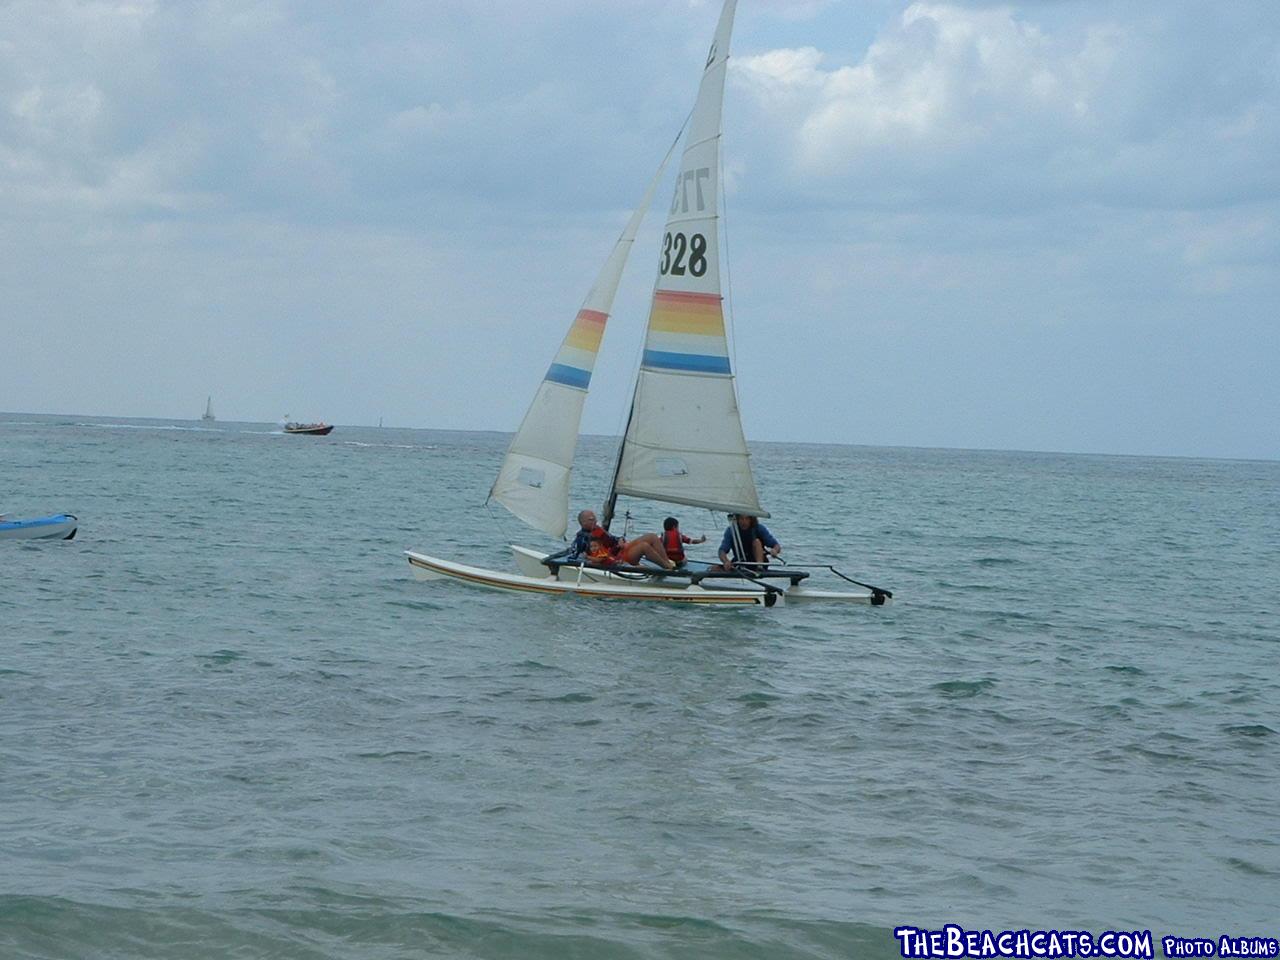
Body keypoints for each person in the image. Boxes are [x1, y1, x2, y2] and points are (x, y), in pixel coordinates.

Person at [549, 509, 676, 569]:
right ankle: (668, 568)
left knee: (651, 537)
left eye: (594, 518)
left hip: (621, 550)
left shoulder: (599, 530)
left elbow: (613, 539)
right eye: (590, 519)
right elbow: (574, 554)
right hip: (618, 559)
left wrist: (620, 540)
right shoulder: (582, 537)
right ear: (582, 523)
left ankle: (667, 562)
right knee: (644, 546)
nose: (594, 520)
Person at [715, 513, 781, 570]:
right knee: (714, 569)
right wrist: (726, 561)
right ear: (737, 519)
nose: (744, 522)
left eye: (747, 519)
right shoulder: (731, 530)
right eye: (741, 519)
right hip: (740, 563)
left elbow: (776, 545)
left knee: (756, 542)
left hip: (757, 563)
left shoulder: (759, 528)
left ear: (751, 519)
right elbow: (722, 550)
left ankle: (759, 566)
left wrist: (774, 550)